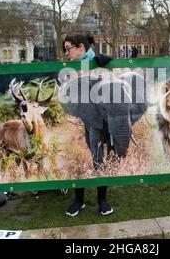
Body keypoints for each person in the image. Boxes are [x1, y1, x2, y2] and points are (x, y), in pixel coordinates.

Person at [63, 34, 114, 217]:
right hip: (79, 119)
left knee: (100, 156)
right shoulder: (68, 68)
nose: (66, 53)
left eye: (68, 48)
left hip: (100, 120)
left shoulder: (100, 63)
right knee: (81, 155)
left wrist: (104, 62)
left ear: (81, 47)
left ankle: (102, 199)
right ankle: (79, 200)